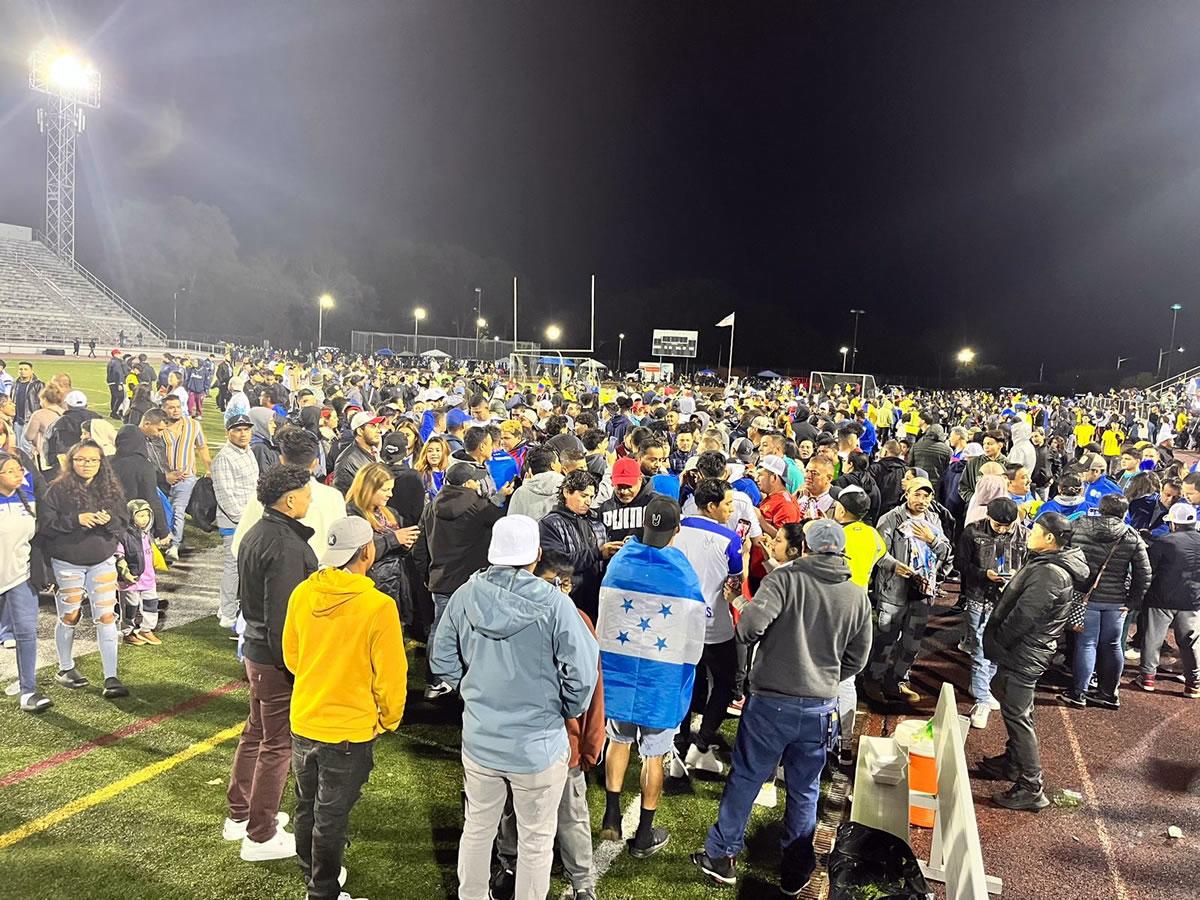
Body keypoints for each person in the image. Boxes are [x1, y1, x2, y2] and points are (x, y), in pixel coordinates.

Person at [691, 519, 871, 892]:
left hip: (771, 704)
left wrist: (737, 601)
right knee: (804, 790)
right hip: (821, 706)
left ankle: (722, 855)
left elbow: (749, 628)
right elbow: (857, 659)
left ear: (804, 546)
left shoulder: (785, 580)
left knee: (746, 779)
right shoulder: (856, 595)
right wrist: (823, 676)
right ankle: (796, 869)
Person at [430, 515, 599, 900]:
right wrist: (564, 708)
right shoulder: (557, 605)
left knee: (477, 829)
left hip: (481, 740)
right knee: (536, 842)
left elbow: (442, 662)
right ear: (536, 555)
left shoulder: (464, 595)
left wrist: (472, 693)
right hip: (536, 747)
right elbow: (583, 674)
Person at [283, 516, 408, 900]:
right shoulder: (377, 606)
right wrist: (389, 718)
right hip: (349, 730)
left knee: (307, 806)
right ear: (368, 552)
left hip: (305, 719)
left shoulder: (303, 593)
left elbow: (291, 656)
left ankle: (311, 872)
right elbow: (391, 675)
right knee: (331, 815)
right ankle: (322, 890)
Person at [599, 496, 707, 859]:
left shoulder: (620, 562)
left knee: (618, 740)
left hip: (621, 673)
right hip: (660, 679)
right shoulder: (682, 572)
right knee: (654, 756)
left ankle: (611, 815)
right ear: (677, 530)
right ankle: (644, 834)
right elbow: (695, 636)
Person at [225, 464, 318, 862]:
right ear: (290, 498)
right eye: (307, 494)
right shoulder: (283, 543)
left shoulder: (258, 531)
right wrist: (294, 664)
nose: (311, 500)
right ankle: (259, 834)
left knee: (256, 733)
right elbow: (283, 614)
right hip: (274, 657)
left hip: (257, 650)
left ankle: (240, 814)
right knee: (276, 744)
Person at [980, 512, 1089, 810]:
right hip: (1027, 649)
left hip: (1026, 650)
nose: (1029, 533)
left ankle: (1031, 785)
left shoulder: (1050, 573)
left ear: (1050, 538)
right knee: (1010, 701)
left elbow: (1024, 616)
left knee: (1018, 715)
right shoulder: (1049, 564)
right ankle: (1013, 764)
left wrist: (998, 639)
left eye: (1036, 529)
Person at [38, 440, 130, 698]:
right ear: (71, 461)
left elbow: (124, 522)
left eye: (92, 460)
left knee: (107, 617)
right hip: (67, 563)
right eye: (81, 460)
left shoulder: (111, 489)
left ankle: (111, 677)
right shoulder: (56, 490)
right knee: (70, 617)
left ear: (102, 463)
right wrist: (75, 520)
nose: (87, 464)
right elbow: (45, 525)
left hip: (102, 561)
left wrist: (110, 520)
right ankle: (65, 667)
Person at [412, 462, 509, 699]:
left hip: (440, 580)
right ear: (468, 483)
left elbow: (420, 549)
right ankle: (468, 683)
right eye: (475, 480)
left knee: (440, 630)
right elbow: (500, 522)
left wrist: (426, 575)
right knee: (473, 633)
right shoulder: (479, 506)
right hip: (471, 583)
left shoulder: (432, 506)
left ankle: (435, 682)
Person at [672, 479, 745, 775]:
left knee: (686, 681)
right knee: (725, 682)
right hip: (714, 624)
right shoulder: (729, 539)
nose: (731, 509)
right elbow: (736, 579)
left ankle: (678, 741)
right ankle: (700, 743)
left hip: (679, 621)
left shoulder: (676, 527)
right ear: (711, 506)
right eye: (727, 504)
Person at [863, 477, 952, 704]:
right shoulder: (890, 519)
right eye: (917, 495)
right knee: (886, 639)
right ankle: (873, 680)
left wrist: (932, 540)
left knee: (912, 643)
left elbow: (945, 552)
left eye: (926, 496)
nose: (922, 500)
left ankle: (898, 681)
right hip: (893, 591)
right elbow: (877, 552)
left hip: (922, 591)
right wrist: (894, 565)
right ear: (907, 495)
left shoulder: (933, 519)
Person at [1059, 494, 1150, 709]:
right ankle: (1108, 693)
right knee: (1112, 645)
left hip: (1084, 597)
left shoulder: (1079, 525)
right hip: (1116, 601)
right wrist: (1133, 602)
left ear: (1099, 509)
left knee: (1086, 644)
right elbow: (1144, 573)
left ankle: (1079, 692)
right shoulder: (1131, 535)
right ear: (1124, 513)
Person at [956, 497, 1022, 728]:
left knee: (997, 649)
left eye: (1008, 526)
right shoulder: (972, 532)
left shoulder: (1024, 534)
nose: (1003, 530)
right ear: (988, 518)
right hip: (979, 598)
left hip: (1008, 600)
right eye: (997, 525)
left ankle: (980, 686)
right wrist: (984, 574)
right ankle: (982, 699)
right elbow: (961, 564)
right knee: (981, 649)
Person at [0, 450, 51, 712]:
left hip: (20, 575)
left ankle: (28, 690)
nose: (18, 475)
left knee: (26, 633)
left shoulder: (27, 499)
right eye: (10, 471)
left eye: (19, 470)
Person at [1136, 502, 1200, 697]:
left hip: (1161, 598)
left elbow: (1149, 568)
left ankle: (1147, 677)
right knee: (1191, 641)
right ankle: (1194, 682)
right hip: (1192, 599)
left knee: (1152, 639)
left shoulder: (1165, 541)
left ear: (1173, 523)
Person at [540, 470, 622, 620]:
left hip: (596, 605)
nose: (589, 501)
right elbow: (557, 564)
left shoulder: (597, 522)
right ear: (566, 492)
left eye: (591, 497)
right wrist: (597, 553)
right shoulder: (550, 524)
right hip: (566, 607)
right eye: (583, 496)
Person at [345, 461, 421, 621]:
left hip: (396, 583)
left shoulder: (390, 512)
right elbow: (360, 554)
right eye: (385, 490)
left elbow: (395, 549)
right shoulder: (351, 515)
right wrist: (394, 539)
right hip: (373, 586)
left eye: (391, 489)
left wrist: (405, 544)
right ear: (368, 489)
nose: (390, 494)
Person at [211, 414, 260, 628]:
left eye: (246, 429)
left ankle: (229, 606)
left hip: (250, 518)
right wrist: (243, 521)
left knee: (244, 567)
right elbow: (225, 495)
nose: (243, 434)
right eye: (238, 430)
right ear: (228, 432)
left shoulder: (248, 451)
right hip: (235, 522)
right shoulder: (224, 457)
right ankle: (227, 612)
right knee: (234, 567)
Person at [162, 394, 210, 557]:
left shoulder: (193, 425)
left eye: (178, 406)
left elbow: (202, 447)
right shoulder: (160, 428)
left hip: (186, 476)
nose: (176, 410)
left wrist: (209, 468)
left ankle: (175, 544)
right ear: (164, 409)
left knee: (178, 509)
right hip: (163, 478)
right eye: (171, 407)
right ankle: (164, 540)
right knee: (163, 509)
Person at [115, 499, 163, 646]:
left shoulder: (147, 534)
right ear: (131, 516)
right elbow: (119, 556)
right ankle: (128, 632)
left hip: (148, 578)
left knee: (151, 604)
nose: (144, 519)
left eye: (146, 515)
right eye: (140, 515)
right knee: (130, 607)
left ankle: (146, 629)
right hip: (132, 580)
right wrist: (126, 574)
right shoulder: (123, 535)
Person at [598, 456, 660, 541]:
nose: (624, 492)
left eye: (629, 486)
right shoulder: (605, 508)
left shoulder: (657, 504)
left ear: (640, 479)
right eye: (619, 486)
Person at [333, 411, 385, 495]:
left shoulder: (375, 452)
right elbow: (345, 498)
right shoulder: (346, 462)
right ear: (360, 431)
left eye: (378, 426)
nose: (379, 431)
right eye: (373, 426)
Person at [507, 446, 563, 521]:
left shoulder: (520, 492)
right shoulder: (566, 488)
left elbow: (512, 524)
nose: (560, 465)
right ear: (552, 465)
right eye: (558, 461)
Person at [106, 349, 127, 419]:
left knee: (114, 397)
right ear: (116, 354)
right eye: (119, 354)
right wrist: (119, 383)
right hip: (115, 382)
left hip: (111, 381)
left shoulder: (112, 361)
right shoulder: (116, 362)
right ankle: (114, 412)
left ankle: (113, 411)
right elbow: (118, 373)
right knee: (120, 397)